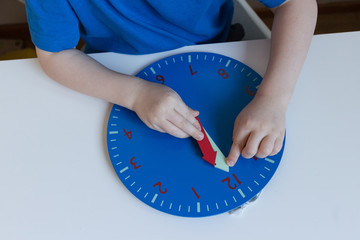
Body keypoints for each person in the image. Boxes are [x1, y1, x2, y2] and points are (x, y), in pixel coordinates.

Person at [25, 0, 317, 167]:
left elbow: (296, 4)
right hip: (109, 72)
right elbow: (55, 55)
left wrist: (274, 98)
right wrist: (136, 94)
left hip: (213, 53)